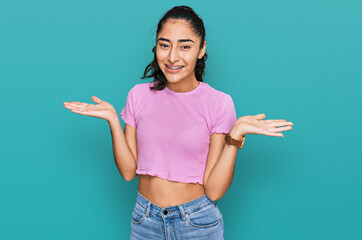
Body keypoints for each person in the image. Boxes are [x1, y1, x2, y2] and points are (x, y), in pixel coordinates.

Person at [63, 5, 293, 240]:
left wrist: (236, 135)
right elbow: (128, 172)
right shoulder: (137, 95)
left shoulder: (219, 103)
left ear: (201, 49)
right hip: (144, 221)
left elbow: (214, 190)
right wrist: (113, 119)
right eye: (165, 45)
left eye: (185, 46)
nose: (173, 57)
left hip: (197, 223)